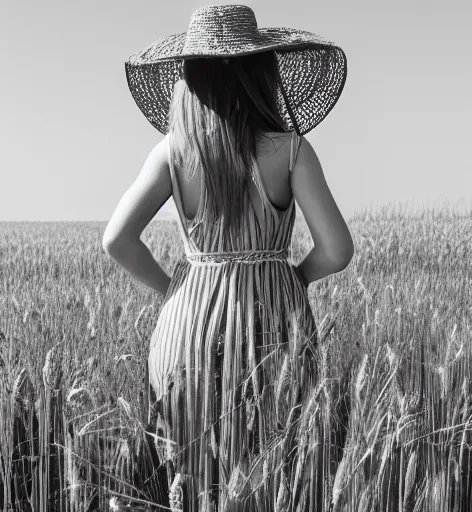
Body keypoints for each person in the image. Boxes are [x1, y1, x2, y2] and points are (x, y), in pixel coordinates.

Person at [103, 4, 353, 511]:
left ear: (189, 77)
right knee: (272, 479)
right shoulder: (289, 150)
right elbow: (337, 250)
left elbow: (118, 240)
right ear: (263, 72)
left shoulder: (172, 152)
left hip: (185, 337)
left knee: (192, 484)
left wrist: (174, 290)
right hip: (272, 327)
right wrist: (294, 280)